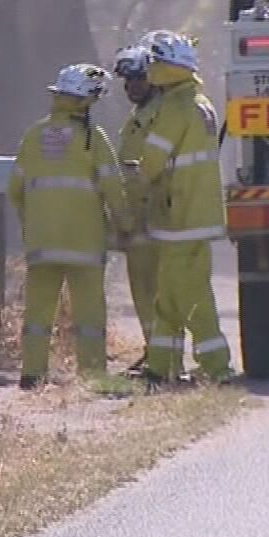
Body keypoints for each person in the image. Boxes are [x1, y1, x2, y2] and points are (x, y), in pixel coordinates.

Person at [7, 64, 129, 389]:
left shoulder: (34, 135)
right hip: (84, 243)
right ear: (85, 100)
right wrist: (126, 225)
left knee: (37, 314)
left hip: (42, 242)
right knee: (89, 315)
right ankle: (92, 376)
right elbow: (113, 188)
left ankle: (32, 375)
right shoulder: (93, 139)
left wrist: (30, 227)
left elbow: (15, 191)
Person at [132, 30, 232, 383]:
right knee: (170, 295)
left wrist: (136, 184)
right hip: (196, 214)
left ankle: (217, 369)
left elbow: (153, 160)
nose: (151, 70)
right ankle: (160, 368)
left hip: (181, 217)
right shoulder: (201, 102)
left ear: (167, 67)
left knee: (190, 297)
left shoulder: (175, 107)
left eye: (155, 63)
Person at [112, 42, 165, 367]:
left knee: (155, 292)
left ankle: (164, 355)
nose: (132, 87)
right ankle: (153, 350)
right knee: (142, 293)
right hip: (136, 220)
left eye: (139, 80)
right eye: (128, 82)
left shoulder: (159, 114)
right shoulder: (137, 116)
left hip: (155, 217)